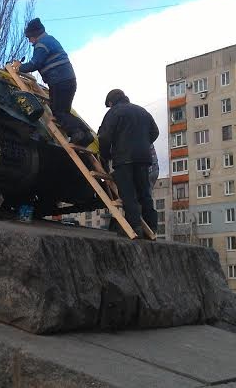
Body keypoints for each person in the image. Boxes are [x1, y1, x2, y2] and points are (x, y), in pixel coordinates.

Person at [12, 18, 92, 146]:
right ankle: (87, 135)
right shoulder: (51, 39)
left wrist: (18, 68)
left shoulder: (41, 44)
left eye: (29, 37)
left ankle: (78, 134)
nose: (29, 41)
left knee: (58, 112)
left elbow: (35, 63)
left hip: (59, 81)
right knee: (64, 112)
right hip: (69, 80)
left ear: (34, 34)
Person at [97, 89, 159, 238]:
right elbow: (155, 132)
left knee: (128, 194)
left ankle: (134, 227)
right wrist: (142, 144)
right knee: (144, 193)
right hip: (143, 158)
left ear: (111, 102)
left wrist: (105, 155)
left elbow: (104, 137)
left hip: (124, 159)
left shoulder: (114, 112)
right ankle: (151, 228)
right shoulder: (142, 111)